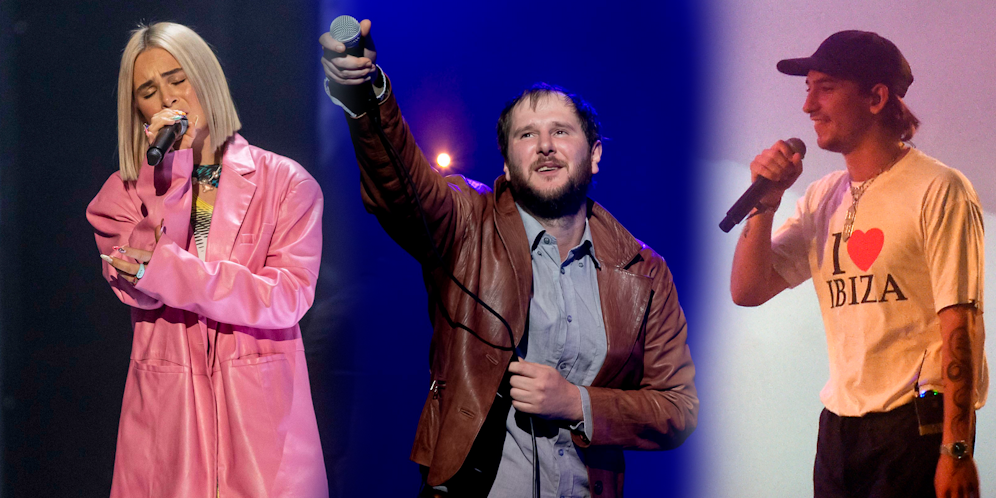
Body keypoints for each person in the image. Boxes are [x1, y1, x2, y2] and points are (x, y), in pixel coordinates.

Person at [319, 19, 697, 498]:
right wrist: (367, 97)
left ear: (595, 155)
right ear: (505, 162)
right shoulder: (467, 223)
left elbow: (677, 407)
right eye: (526, 135)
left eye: (561, 132)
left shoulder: (643, 272)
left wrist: (576, 402)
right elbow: (401, 184)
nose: (544, 146)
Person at [730, 30, 988, 498]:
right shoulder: (822, 197)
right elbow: (748, 290)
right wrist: (764, 204)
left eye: (825, 87)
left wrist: (957, 450)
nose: (808, 105)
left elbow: (961, 325)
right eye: (806, 88)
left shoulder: (938, 189)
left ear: (875, 97)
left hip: (913, 427)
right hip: (839, 428)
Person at [87, 22, 328, 497]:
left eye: (178, 78)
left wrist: (173, 274)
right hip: (167, 426)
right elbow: (136, 284)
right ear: (137, 108)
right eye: (149, 91)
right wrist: (170, 175)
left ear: (206, 77)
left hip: (261, 427)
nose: (167, 99)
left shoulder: (287, 184)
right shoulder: (123, 195)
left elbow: (288, 296)